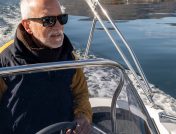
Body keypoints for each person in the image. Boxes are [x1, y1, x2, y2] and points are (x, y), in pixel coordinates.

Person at [0, 0, 92, 133]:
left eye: (61, 18)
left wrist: (82, 116)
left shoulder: (70, 58)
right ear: (27, 26)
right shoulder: (4, 63)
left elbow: (80, 94)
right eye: (48, 20)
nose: (58, 26)